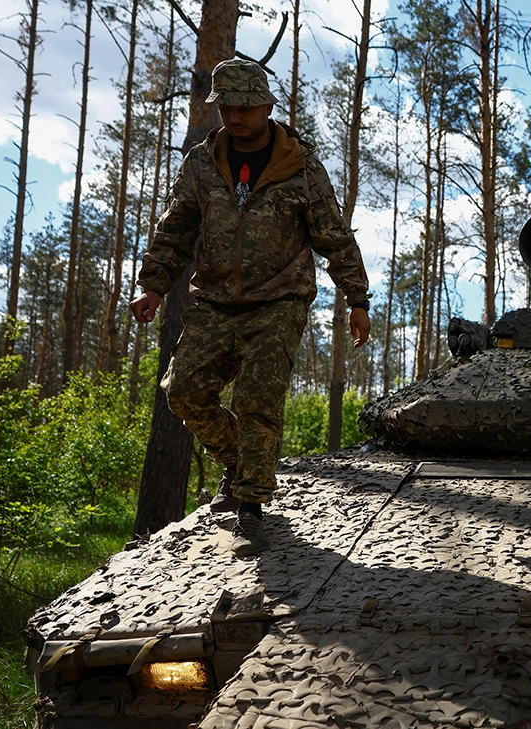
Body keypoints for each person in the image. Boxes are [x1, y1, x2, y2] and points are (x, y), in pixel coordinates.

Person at [129, 58, 371, 556]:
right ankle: (241, 463)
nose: (234, 117)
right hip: (215, 299)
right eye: (226, 107)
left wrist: (357, 298)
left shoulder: (300, 165)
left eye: (243, 107)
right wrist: (153, 286)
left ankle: (251, 504)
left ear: (265, 105)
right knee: (183, 393)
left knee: (257, 398)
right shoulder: (202, 161)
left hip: (279, 299)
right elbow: (175, 231)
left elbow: (333, 235)